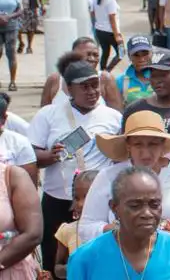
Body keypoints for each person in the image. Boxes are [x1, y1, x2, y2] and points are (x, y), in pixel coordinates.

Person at [79, 111, 170, 257]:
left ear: (163, 144)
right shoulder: (109, 176)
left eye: (152, 144)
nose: (146, 153)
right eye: (138, 145)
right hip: (122, 264)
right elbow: (86, 228)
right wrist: (117, 230)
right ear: (128, 146)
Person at [30, 59, 123, 274]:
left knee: (100, 258)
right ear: (68, 88)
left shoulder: (113, 117)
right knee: (56, 260)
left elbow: (121, 157)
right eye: (85, 86)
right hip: (58, 200)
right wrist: (50, 155)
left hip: (100, 201)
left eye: (94, 84)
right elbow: (30, 155)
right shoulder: (49, 114)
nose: (92, 91)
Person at [67, 167, 170, 280]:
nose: (147, 213)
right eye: (135, 206)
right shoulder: (85, 259)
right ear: (114, 207)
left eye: (154, 205)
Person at [53, 169, 97, 277]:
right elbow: (57, 268)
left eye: (87, 197)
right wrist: (70, 267)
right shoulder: (67, 231)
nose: (80, 204)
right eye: (77, 198)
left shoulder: (111, 231)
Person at [90, 0, 123, 77]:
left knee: (105, 52)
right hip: (111, 31)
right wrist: (117, 35)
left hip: (100, 30)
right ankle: (107, 71)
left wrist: (98, 23)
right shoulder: (110, 0)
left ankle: (102, 72)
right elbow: (112, 18)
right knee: (121, 52)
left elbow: (92, 13)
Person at [116, 36, 155, 106]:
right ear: (129, 56)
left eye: (145, 53)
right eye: (136, 55)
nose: (142, 59)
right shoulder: (120, 81)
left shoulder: (162, 76)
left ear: (152, 53)